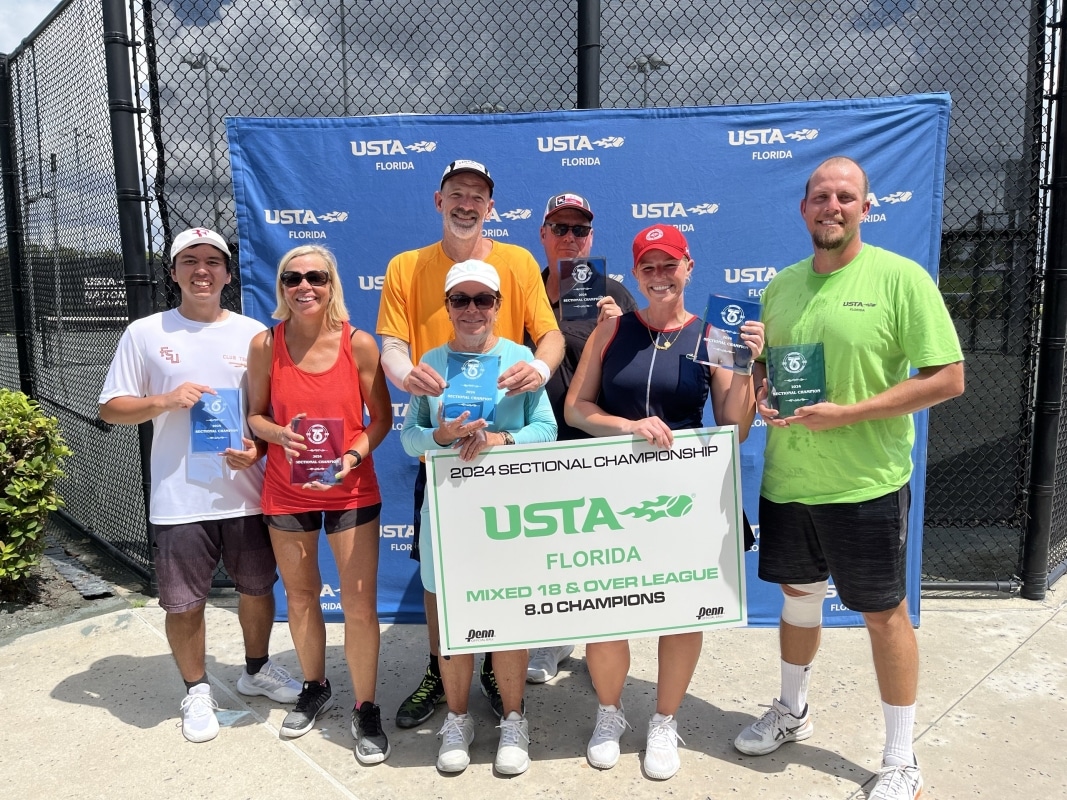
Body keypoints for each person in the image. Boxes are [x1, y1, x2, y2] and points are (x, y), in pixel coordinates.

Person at [732, 156, 964, 800]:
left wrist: (849, 414)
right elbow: (770, 377)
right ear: (803, 208)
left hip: (866, 484)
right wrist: (760, 385)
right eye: (820, 196)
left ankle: (900, 757)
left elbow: (948, 377)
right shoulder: (781, 287)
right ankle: (792, 710)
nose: (831, 206)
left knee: (884, 616)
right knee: (798, 599)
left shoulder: (900, 278)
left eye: (845, 196)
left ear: (865, 207)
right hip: (788, 481)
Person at [565, 223, 764, 780]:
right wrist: (628, 426)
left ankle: (664, 720)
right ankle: (609, 713)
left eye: (669, 264)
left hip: (684, 494)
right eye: (648, 266)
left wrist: (748, 369)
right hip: (614, 490)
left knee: (680, 612)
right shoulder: (611, 329)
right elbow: (578, 409)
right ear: (635, 273)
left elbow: (734, 427)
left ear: (688, 267)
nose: (659, 276)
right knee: (606, 609)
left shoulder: (713, 335)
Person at [376, 159, 564, 727]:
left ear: (490, 207)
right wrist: (407, 376)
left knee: (505, 573)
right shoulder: (406, 266)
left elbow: (549, 336)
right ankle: (441, 669)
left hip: (505, 464)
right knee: (438, 579)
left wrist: (539, 370)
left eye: (477, 196)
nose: (466, 204)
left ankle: (495, 670)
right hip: (443, 457)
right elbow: (392, 345)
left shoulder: (518, 262)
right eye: (456, 193)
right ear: (439, 201)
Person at [98, 227, 301, 744]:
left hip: (246, 492)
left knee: (257, 588)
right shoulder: (145, 333)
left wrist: (258, 451)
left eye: (213, 260)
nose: (202, 270)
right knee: (183, 603)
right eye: (189, 261)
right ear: (173, 272)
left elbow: (266, 414)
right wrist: (164, 401)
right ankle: (196, 689)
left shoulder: (254, 334)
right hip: (179, 499)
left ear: (229, 274)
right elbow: (112, 408)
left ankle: (256, 669)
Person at [400, 260, 557, 775]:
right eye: (460, 300)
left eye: (483, 299)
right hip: (449, 507)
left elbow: (547, 430)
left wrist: (500, 439)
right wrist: (441, 437)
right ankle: (458, 719)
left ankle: (513, 719)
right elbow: (409, 439)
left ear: (498, 306)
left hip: (508, 509)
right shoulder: (430, 362)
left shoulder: (521, 360)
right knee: (451, 616)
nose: (472, 309)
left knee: (509, 617)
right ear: (447, 307)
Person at [246, 245, 393, 764]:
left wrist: (352, 456)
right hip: (287, 490)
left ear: (332, 285)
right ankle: (314, 686)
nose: (304, 286)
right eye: (293, 278)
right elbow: (255, 416)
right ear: (281, 286)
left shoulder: (358, 344)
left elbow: (381, 419)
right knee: (302, 596)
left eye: (315, 277)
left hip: (351, 488)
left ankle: (366, 706)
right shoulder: (266, 344)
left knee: (359, 605)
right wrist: (277, 435)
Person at [525, 191, 638, 684]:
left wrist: (618, 331)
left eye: (580, 230)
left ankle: (603, 648)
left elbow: (638, 370)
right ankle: (552, 638)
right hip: (532, 443)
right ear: (543, 234)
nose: (570, 238)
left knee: (599, 556)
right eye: (560, 228)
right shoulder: (522, 289)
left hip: (592, 442)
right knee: (545, 551)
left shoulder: (611, 293)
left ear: (591, 238)